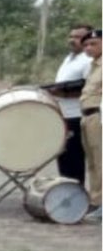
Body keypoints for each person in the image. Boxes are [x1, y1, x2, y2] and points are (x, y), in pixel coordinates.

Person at [48, 22, 95, 184]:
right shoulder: (69, 58)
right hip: (63, 114)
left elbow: (88, 88)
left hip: (77, 115)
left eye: (78, 37)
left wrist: (62, 92)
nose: (72, 40)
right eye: (71, 36)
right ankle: (68, 192)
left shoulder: (88, 61)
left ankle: (76, 193)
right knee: (64, 158)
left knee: (74, 160)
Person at [79, 30, 101, 216]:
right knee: (93, 162)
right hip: (87, 116)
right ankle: (96, 200)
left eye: (94, 43)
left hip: (99, 116)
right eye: (86, 45)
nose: (88, 48)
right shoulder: (93, 66)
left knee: (101, 160)